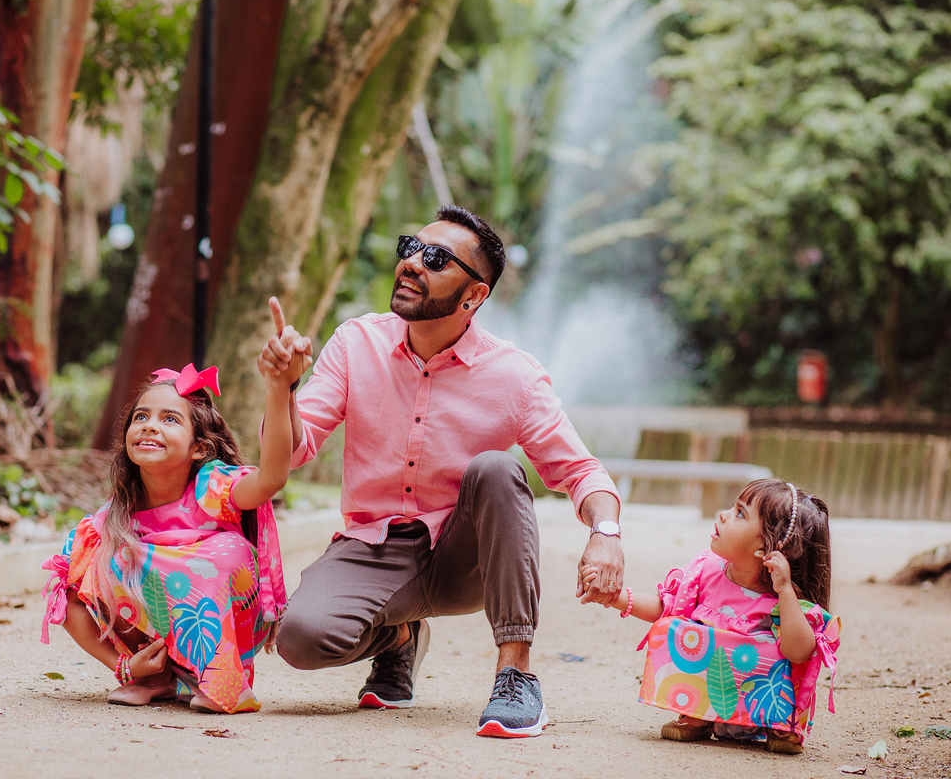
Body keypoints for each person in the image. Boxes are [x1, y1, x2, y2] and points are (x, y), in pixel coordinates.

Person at [257, 205, 624, 738]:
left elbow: (581, 469)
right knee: (299, 639)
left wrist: (605, 534)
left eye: (436, 258)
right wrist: (281, 388)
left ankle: (516, 674)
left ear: (474, 296)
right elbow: (292, 452)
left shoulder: (514, 376)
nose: (412, 263)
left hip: (462, 557)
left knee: (498, 468)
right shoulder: (357, 343)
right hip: (374, 546)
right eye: (411, 247)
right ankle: (400, 639)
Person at [40, 300, 310, 713]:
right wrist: (124, 666)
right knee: (90, 559)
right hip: (146, 652)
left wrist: (278, 387)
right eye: (141, 417)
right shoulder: (119, 512)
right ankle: (156, 677)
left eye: (170, 419)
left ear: (199, 447)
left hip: (223, 621)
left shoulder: (211, 486)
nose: (149, 424)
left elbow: (272, 478)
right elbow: (71, 595)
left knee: (226, 553)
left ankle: (219, 680)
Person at [584, 479, 840, 754]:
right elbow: (666, 607)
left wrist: (786, 591)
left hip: (761, 700)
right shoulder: (705, 571)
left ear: (765, 549)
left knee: (782, 655)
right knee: (671, 628)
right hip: (711, 694)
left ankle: (781, 726)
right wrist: (615, 597)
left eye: (740, 513)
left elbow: (799, 653)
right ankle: (696, 713)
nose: (723, 514)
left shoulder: (784, 595)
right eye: (732, 507)